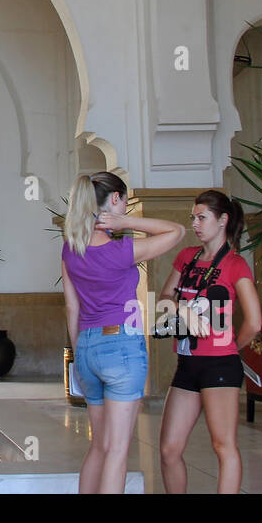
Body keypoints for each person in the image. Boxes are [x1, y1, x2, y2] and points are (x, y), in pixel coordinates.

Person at [61, 172, 185, 494]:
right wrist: (125, 223)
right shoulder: (122, 251)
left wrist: (80, 356)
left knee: (99, 447)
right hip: (122, 349)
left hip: (86, 347)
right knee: (117, 451)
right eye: (125, 201)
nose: (126, 206)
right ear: (114, 199)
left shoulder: (70, 248)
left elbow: (72, 309)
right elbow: (177, 230)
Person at [157, 190, 261, 494]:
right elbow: (165, 297)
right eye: (193, 218)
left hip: (219, 364)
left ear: (223, 220)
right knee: (168, 449)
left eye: (202, 217)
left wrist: (229, 347)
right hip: (187, 363)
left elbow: (254, 322)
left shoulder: (235, 264)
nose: (195, 224)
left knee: (223, 445)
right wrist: (184, 310)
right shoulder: (186, 257)